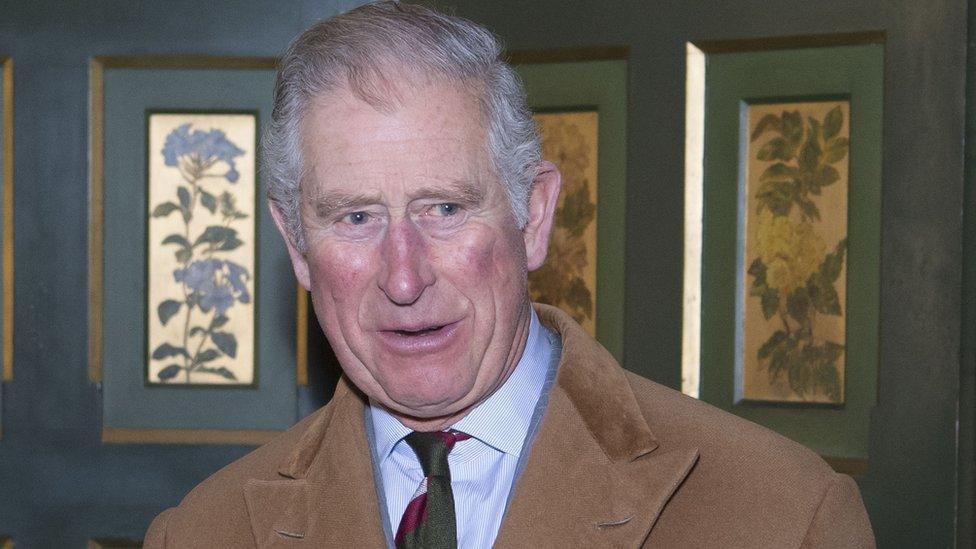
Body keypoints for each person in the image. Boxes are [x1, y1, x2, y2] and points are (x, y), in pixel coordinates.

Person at [144, 2, 875, 547]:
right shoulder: (204, 532)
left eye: (446, 207)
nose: (404, 277)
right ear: (297, 246)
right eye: (356, 218)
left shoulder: (782, 515)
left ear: (535, 214)